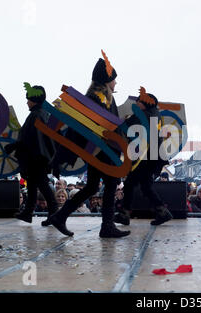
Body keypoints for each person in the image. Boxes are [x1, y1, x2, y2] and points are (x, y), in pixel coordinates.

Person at [48, 51, 130, 238]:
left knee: (92, 187)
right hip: (104, 151)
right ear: (107, 79)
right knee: (110, 185)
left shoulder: (100, 96)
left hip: (100, 151)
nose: (116, 83)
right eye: (114, 79)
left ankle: (61, 216)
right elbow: (81, 129)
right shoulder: (99, 98)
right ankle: (107, 226)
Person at [115, 87, 173, 226]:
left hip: (146, 158)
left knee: (129, 184)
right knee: (146, 186)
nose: (137, 104)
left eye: (139, 101)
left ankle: (125, 214)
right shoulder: (155, 114)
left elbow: (126, 125)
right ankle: (162, 212)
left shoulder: (145, 115)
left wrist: (123, 120)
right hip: (151, 157)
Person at [4, 84, 58, 226]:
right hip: (38, 157)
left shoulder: (36, 115)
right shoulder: (41, 114)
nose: (27, 102)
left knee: (42, 185)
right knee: (34, 185)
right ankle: (28, 213)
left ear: (34, 100)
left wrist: (13, 146)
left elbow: (28, 139)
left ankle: (53, 213)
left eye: (28, 99)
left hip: (36, 158)